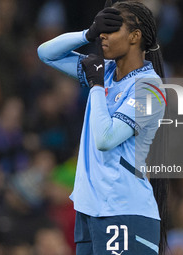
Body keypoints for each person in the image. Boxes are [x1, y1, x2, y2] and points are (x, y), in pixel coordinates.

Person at [37, 1, 167, 254]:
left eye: (111, 28)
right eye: (101, 28)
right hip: (89, 209)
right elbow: (46, 53)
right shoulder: (105, 72)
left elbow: (106, 138)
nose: (103, 35)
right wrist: (87, 33)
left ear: (135, 36)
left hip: (124, 210)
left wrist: (96, 86)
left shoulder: (149, 88)